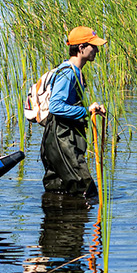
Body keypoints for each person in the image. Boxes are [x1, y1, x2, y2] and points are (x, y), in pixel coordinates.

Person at [37, 26, 108, 195]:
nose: (97, 50)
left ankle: (56, 219)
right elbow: (55, 106)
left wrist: (92, 109)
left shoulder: (75, 71)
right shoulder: (68, 73)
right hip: (61, 138)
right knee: (86, 189)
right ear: (81, 48)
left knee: (58, 188)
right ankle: (81, 219)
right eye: (94, 46)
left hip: (60, 138)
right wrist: (85, 111)